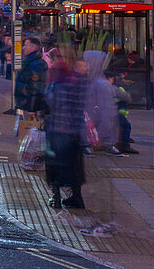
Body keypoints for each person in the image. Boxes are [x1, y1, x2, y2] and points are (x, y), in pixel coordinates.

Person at [44, 59, 89, 210]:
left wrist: (49, 89)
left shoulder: (59, 87)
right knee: (74, 167)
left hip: (59, 132)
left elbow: (53, 104)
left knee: (54, 167)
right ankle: (77, 198)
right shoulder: (77, 85)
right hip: (75, 133)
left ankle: (56, 198)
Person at [87, 68, 121, 155]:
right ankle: (107, 146)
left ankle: (90, 146)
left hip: (97, 110)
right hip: (101, 111)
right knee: (106, 128)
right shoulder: (105, 85)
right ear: (109, 78)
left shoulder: (97, 82)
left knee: (95, 128)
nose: (113, 81)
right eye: (112, 79)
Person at [15, 36, 48, 115]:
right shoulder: (30, 62)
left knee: (30, 127)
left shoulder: (37, 65)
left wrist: (32, 109)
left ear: (33, 47)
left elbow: (36, 88)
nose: (23, 48)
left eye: (25, 45)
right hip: (25, 105)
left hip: (30, 108)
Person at [110, 72, 138, 155]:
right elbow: (126, 97)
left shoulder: (98, 85)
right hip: (113, 111)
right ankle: (124, 145)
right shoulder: (113, 88)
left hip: (107, 111)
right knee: (126, 126)